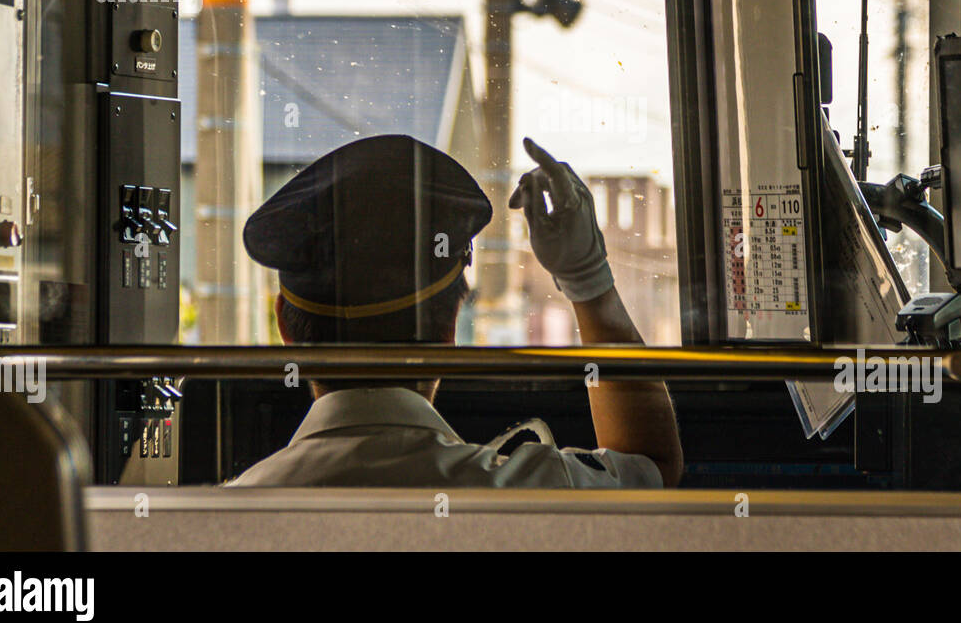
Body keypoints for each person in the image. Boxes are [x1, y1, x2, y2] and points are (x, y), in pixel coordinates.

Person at [225, 133, 683, 488]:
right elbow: (652, 465)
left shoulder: (223, 514)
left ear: (287, 328)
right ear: (447, 331)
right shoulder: (530, 492)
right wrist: (589, 280)